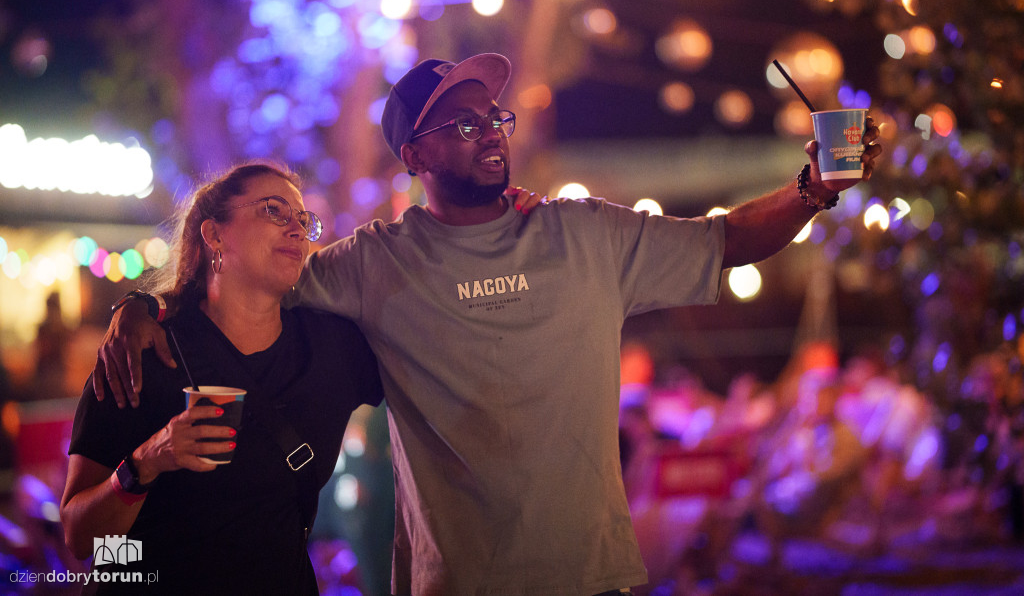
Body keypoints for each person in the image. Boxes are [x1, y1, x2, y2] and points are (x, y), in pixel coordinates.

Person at [94, 53, 882, 595]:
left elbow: (729, 241)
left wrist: (812, 187)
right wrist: (145, 305)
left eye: (492, 117)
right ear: (414, 155)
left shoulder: (586, 232)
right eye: (462, 125)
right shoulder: (371, 263)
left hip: (592, 575)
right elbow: (248, 283)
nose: (490, 132)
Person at [61, 163, 384, 594]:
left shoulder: (330, 350)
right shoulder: (144, 354)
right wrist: (148, 461)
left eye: (304, 221)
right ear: (213, 235)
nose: (297, 229)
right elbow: (81, 539)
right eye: (274, 211)